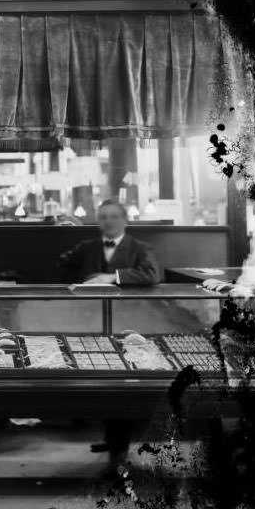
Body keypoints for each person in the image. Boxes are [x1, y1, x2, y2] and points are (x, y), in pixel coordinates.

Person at [55, 198, 160, 470]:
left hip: (128, 325)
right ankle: (112, 442)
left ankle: (118, 450)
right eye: (103, 217)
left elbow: (152, 274)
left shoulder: (140, 248)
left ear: (125, 220)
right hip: (90, 324)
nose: (108, 221)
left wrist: (112, 276)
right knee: (99, 381)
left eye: (114, 216)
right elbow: (62, 266)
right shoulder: (86, 248)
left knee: (121, 387)